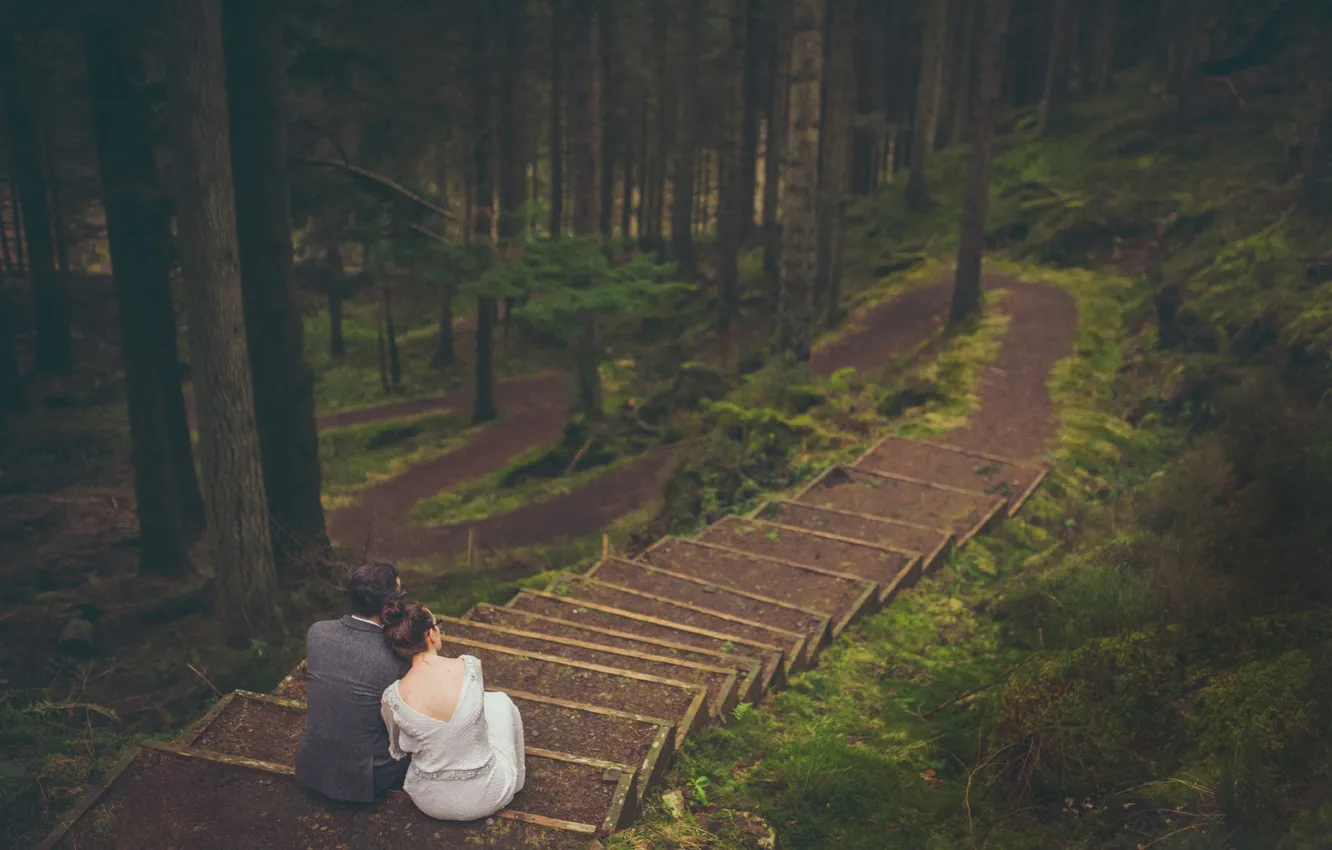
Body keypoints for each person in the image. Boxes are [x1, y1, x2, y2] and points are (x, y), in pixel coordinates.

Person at [380, 603, 527, 821]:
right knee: (500, 701)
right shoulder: (470, 667)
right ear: (430, 634)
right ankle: (516, 779)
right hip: (487, 794)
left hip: (429, 800)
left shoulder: (392, 697)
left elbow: (399, 748)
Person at [294, 562, 410, 803]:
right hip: (366, 776)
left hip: (312, 767)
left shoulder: (317, 633)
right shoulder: (397, 656)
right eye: (400, 595)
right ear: (390, 606)